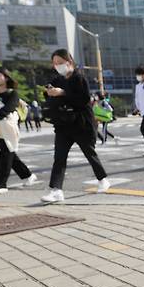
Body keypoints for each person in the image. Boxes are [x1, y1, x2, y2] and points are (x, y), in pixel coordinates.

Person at [41, 49, 110, 203]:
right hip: (63, 124)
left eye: (60, 63)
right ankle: (56, 190)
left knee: (89, 153)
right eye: (54, 63)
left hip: (81, 124)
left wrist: (62, 93)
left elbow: (83, 100)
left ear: (69, 62)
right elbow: (52, 100)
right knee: (59, 157)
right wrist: (50, 92)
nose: (57, 66)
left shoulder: (79, 78)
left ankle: (103, 179)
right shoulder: (57, 80)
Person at [0, 67, 37, 195]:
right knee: (10, 153)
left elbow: (8, 109)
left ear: (6, 77)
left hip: (8, 127)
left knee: (6, 153)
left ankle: (1, 184)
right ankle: (28, 175)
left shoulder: (12, 93)